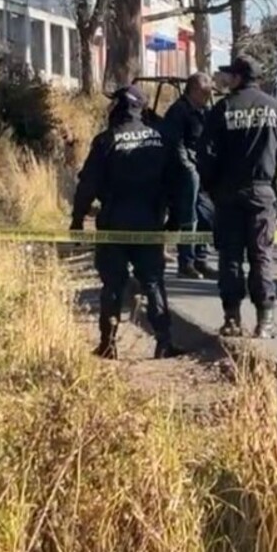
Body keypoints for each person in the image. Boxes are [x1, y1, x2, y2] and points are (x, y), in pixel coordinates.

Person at [197, 55, 277, 339]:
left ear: (237, 78)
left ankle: (232, 319)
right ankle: (265, 321)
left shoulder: (223, 109)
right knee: (260, 255)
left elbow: (205, 154)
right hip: (262, 193)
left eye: (228, 76)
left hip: (228, 193)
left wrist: (209, 187)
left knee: (230, 257)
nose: (225, 80)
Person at [70, 84, 182, 360]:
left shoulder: (106, 140)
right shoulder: (159, 138)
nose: (108, 108)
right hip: (150, 222)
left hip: (114, 223)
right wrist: (175, 220)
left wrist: (77, 219)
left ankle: (108, 345)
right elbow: (177, 183)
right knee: (154, 281)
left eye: (112, 103)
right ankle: (164, 342)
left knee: (112, 284)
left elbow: (88, 184)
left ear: (121, 105)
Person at [160, 72, 217, 280]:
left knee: (206, 215)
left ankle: (201, 259)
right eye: (204, 93)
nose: (207, 97)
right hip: (183, 172)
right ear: (194, 90)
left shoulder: (203, 111)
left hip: (201, 167)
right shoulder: (179, 111)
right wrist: (187, 167)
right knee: (188, 217)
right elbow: (174, 143)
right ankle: (187, 263)